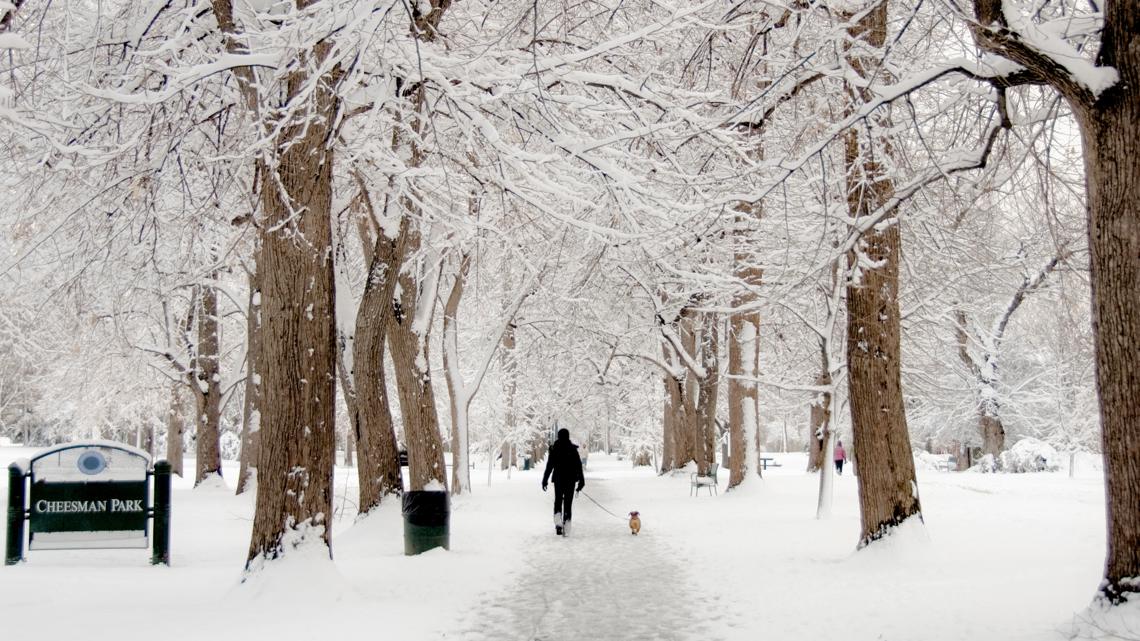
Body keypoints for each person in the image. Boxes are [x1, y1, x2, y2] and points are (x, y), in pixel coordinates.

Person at [542, 428, 585, 536]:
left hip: (558, 480)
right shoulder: (573, 449)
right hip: (570, 480)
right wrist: (581, 481)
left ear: (558, 436)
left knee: (558, 501)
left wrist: (545, 480)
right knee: (568, 503)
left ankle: (558, 524)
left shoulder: (554, 449)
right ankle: (566, 525)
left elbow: (549, 466)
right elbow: (578, 466)